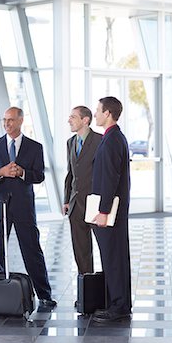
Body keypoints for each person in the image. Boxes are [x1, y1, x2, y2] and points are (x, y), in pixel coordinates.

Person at [0, 107, 57, 308]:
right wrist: (1, 171)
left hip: (24, 206)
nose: (7, 124)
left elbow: (39, 175)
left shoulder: (35, 147)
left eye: (11, 120)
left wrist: (23, 172)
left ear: (21, 121)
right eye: (5, 120)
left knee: (32, 249)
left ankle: (44, 294)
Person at [91, 96, 132, 322]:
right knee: (116, 256)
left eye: (98, 110)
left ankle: (118, 305)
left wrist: (104, 211)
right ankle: (120, 302)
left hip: (111, 212)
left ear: (108, 113)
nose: (96, 114)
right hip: (115, 209)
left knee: (113, 257)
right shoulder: (115, 137)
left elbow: (110, 178)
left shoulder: (112, 139)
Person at [63, 106, 102, 275]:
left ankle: (109, 290)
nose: (69, 120)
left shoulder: (100, 141)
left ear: (85, 120)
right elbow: (71, 173)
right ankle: (87, 288)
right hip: (75, 204)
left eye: (73, 117)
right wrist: (66, 200)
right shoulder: (71, 142)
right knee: (81, 251)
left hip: (96, 204)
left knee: (104, 248)